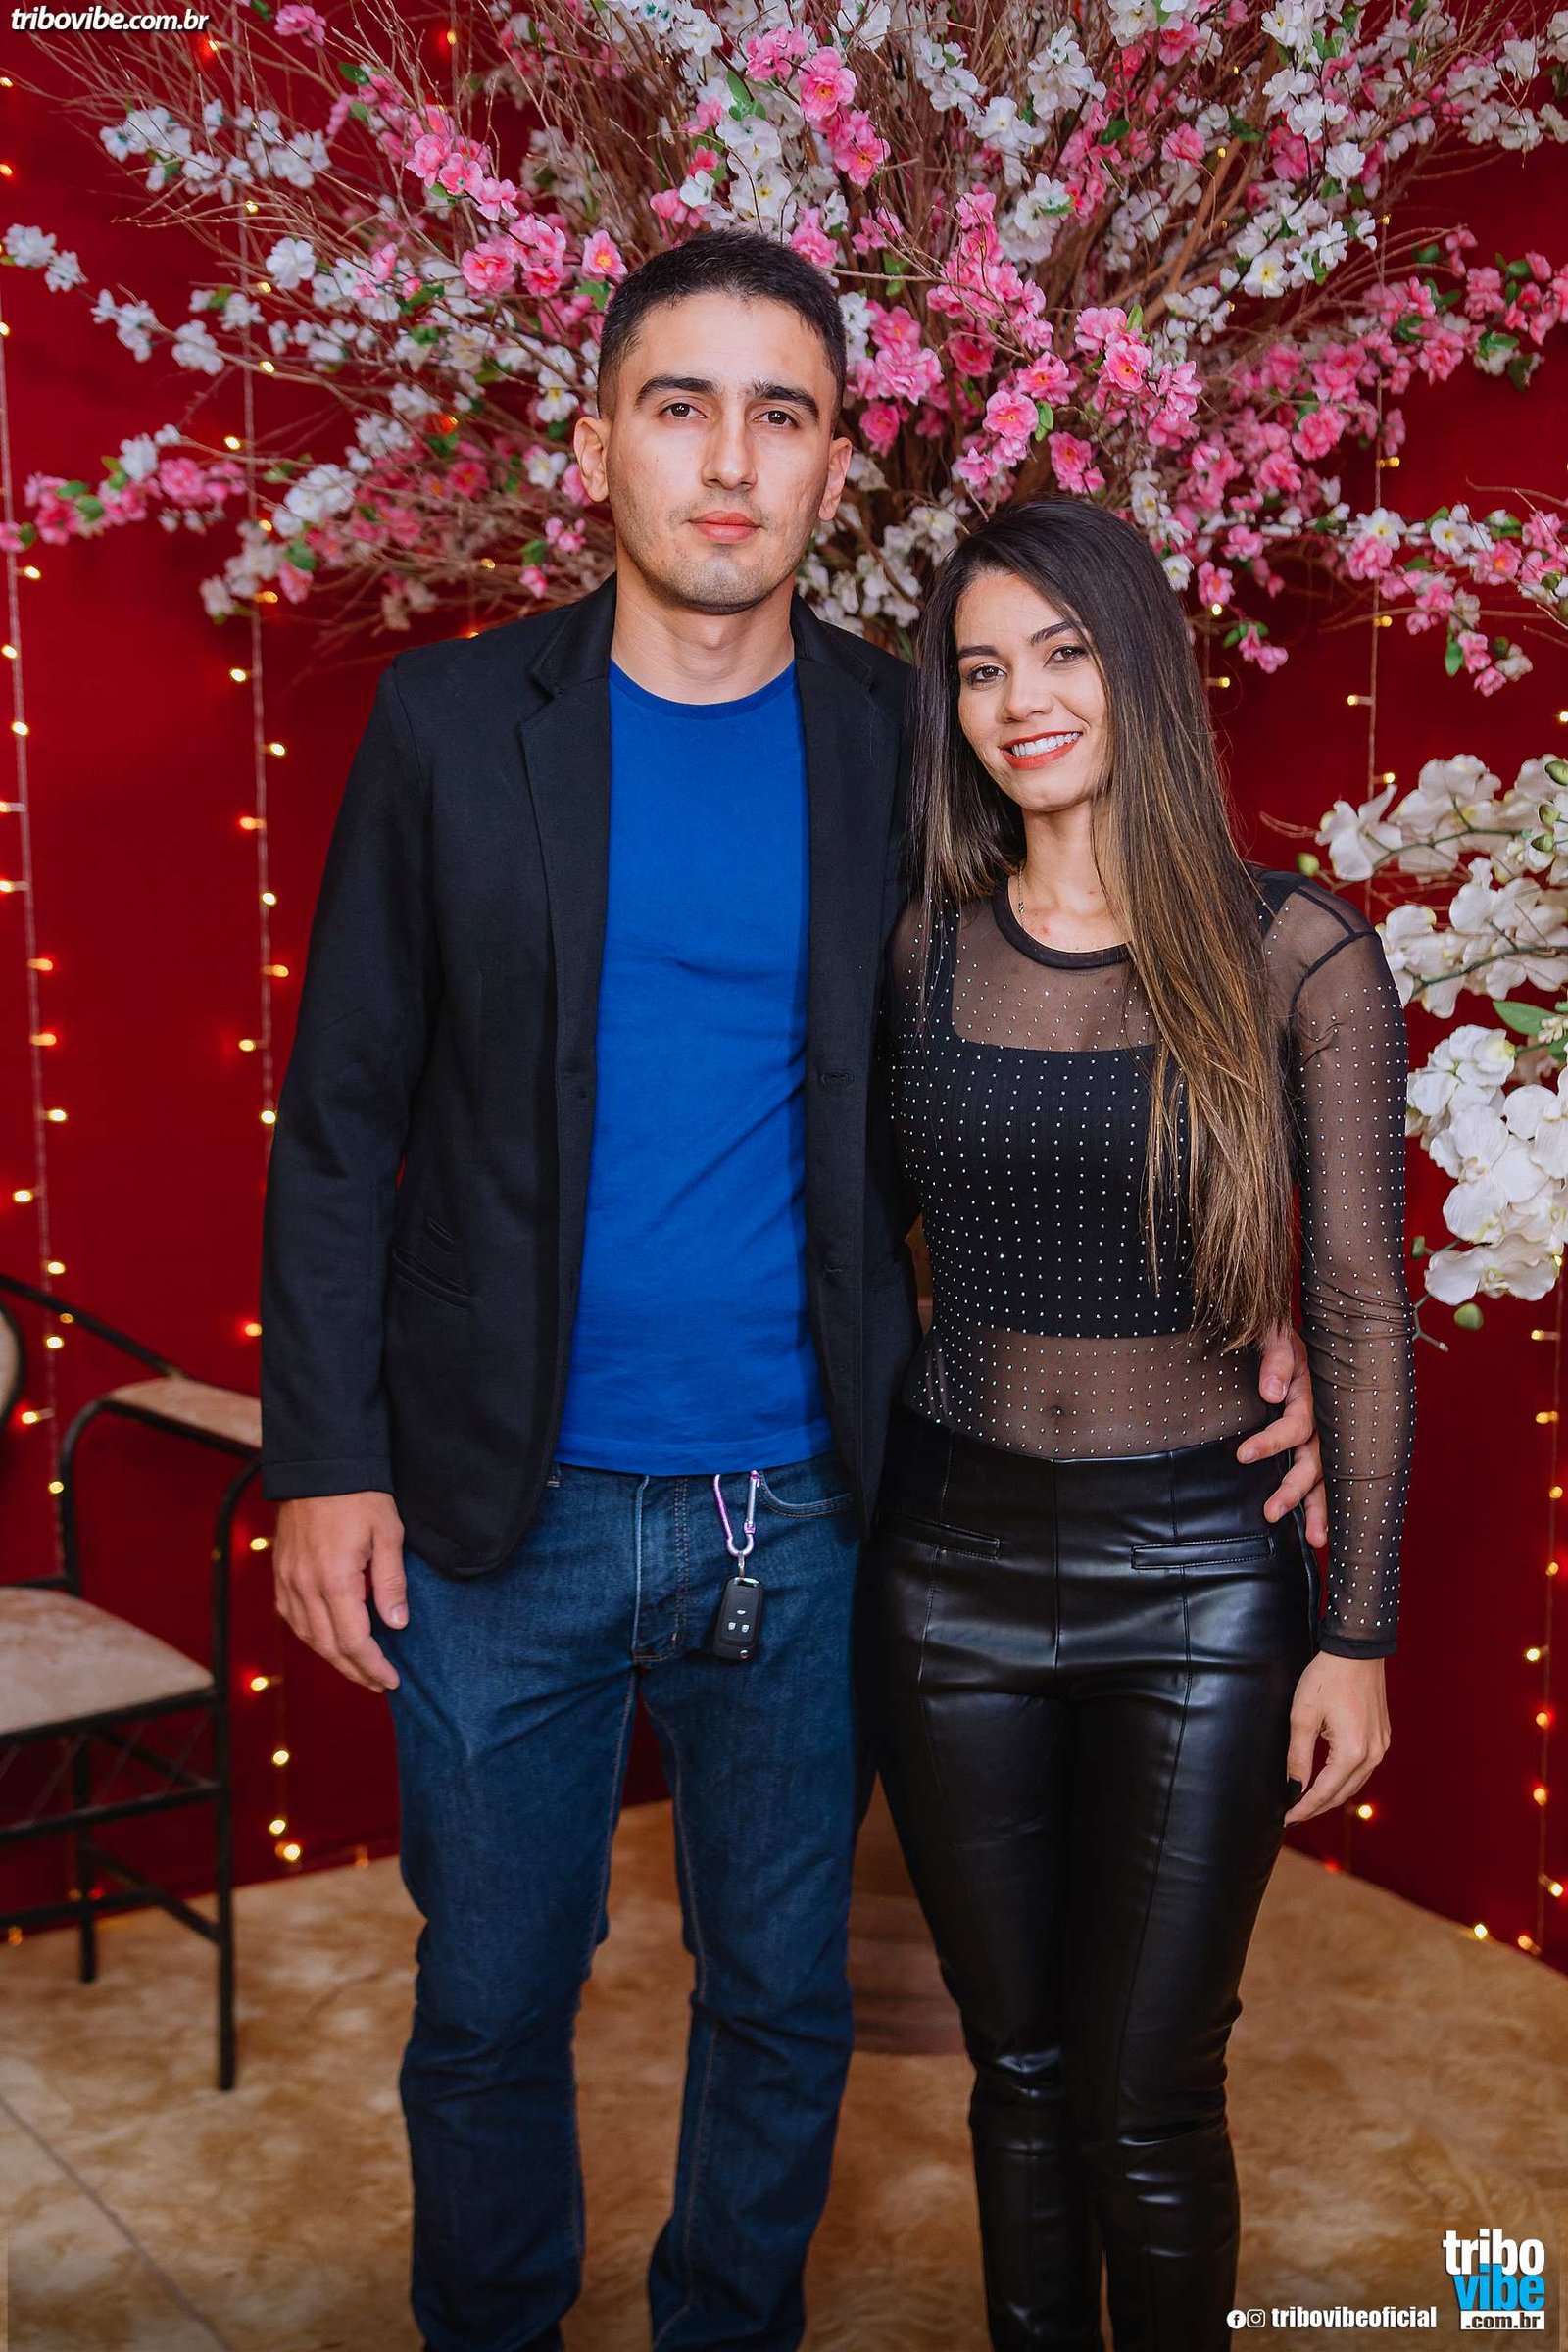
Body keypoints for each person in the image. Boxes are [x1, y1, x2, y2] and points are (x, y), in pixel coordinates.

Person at [258, 231, 1326, 2352]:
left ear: (839, 464)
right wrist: (324, 1462)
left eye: (782, 415)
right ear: (594, 449)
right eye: (681, 408)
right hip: (497, 1506)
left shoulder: (905, 743)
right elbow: (338, 1119)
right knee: (490, 1999)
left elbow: (1081, 1005)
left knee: (778, 1997)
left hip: (825, 1508)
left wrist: (1235, 1294)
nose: (730, 462)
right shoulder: (451, 726)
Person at [863, 495, 1416, 2352]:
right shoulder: (918, 948)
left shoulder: (1296, 953)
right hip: (943, 1572)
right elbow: (850, 1249)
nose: (1021, 700)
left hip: (1200, 1580)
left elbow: (1359, 1300)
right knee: (1017, 2075)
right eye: (980, 669)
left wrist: (1359, 1631)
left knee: (1153, 2093)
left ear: (1145, 667)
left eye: (1064, 652)